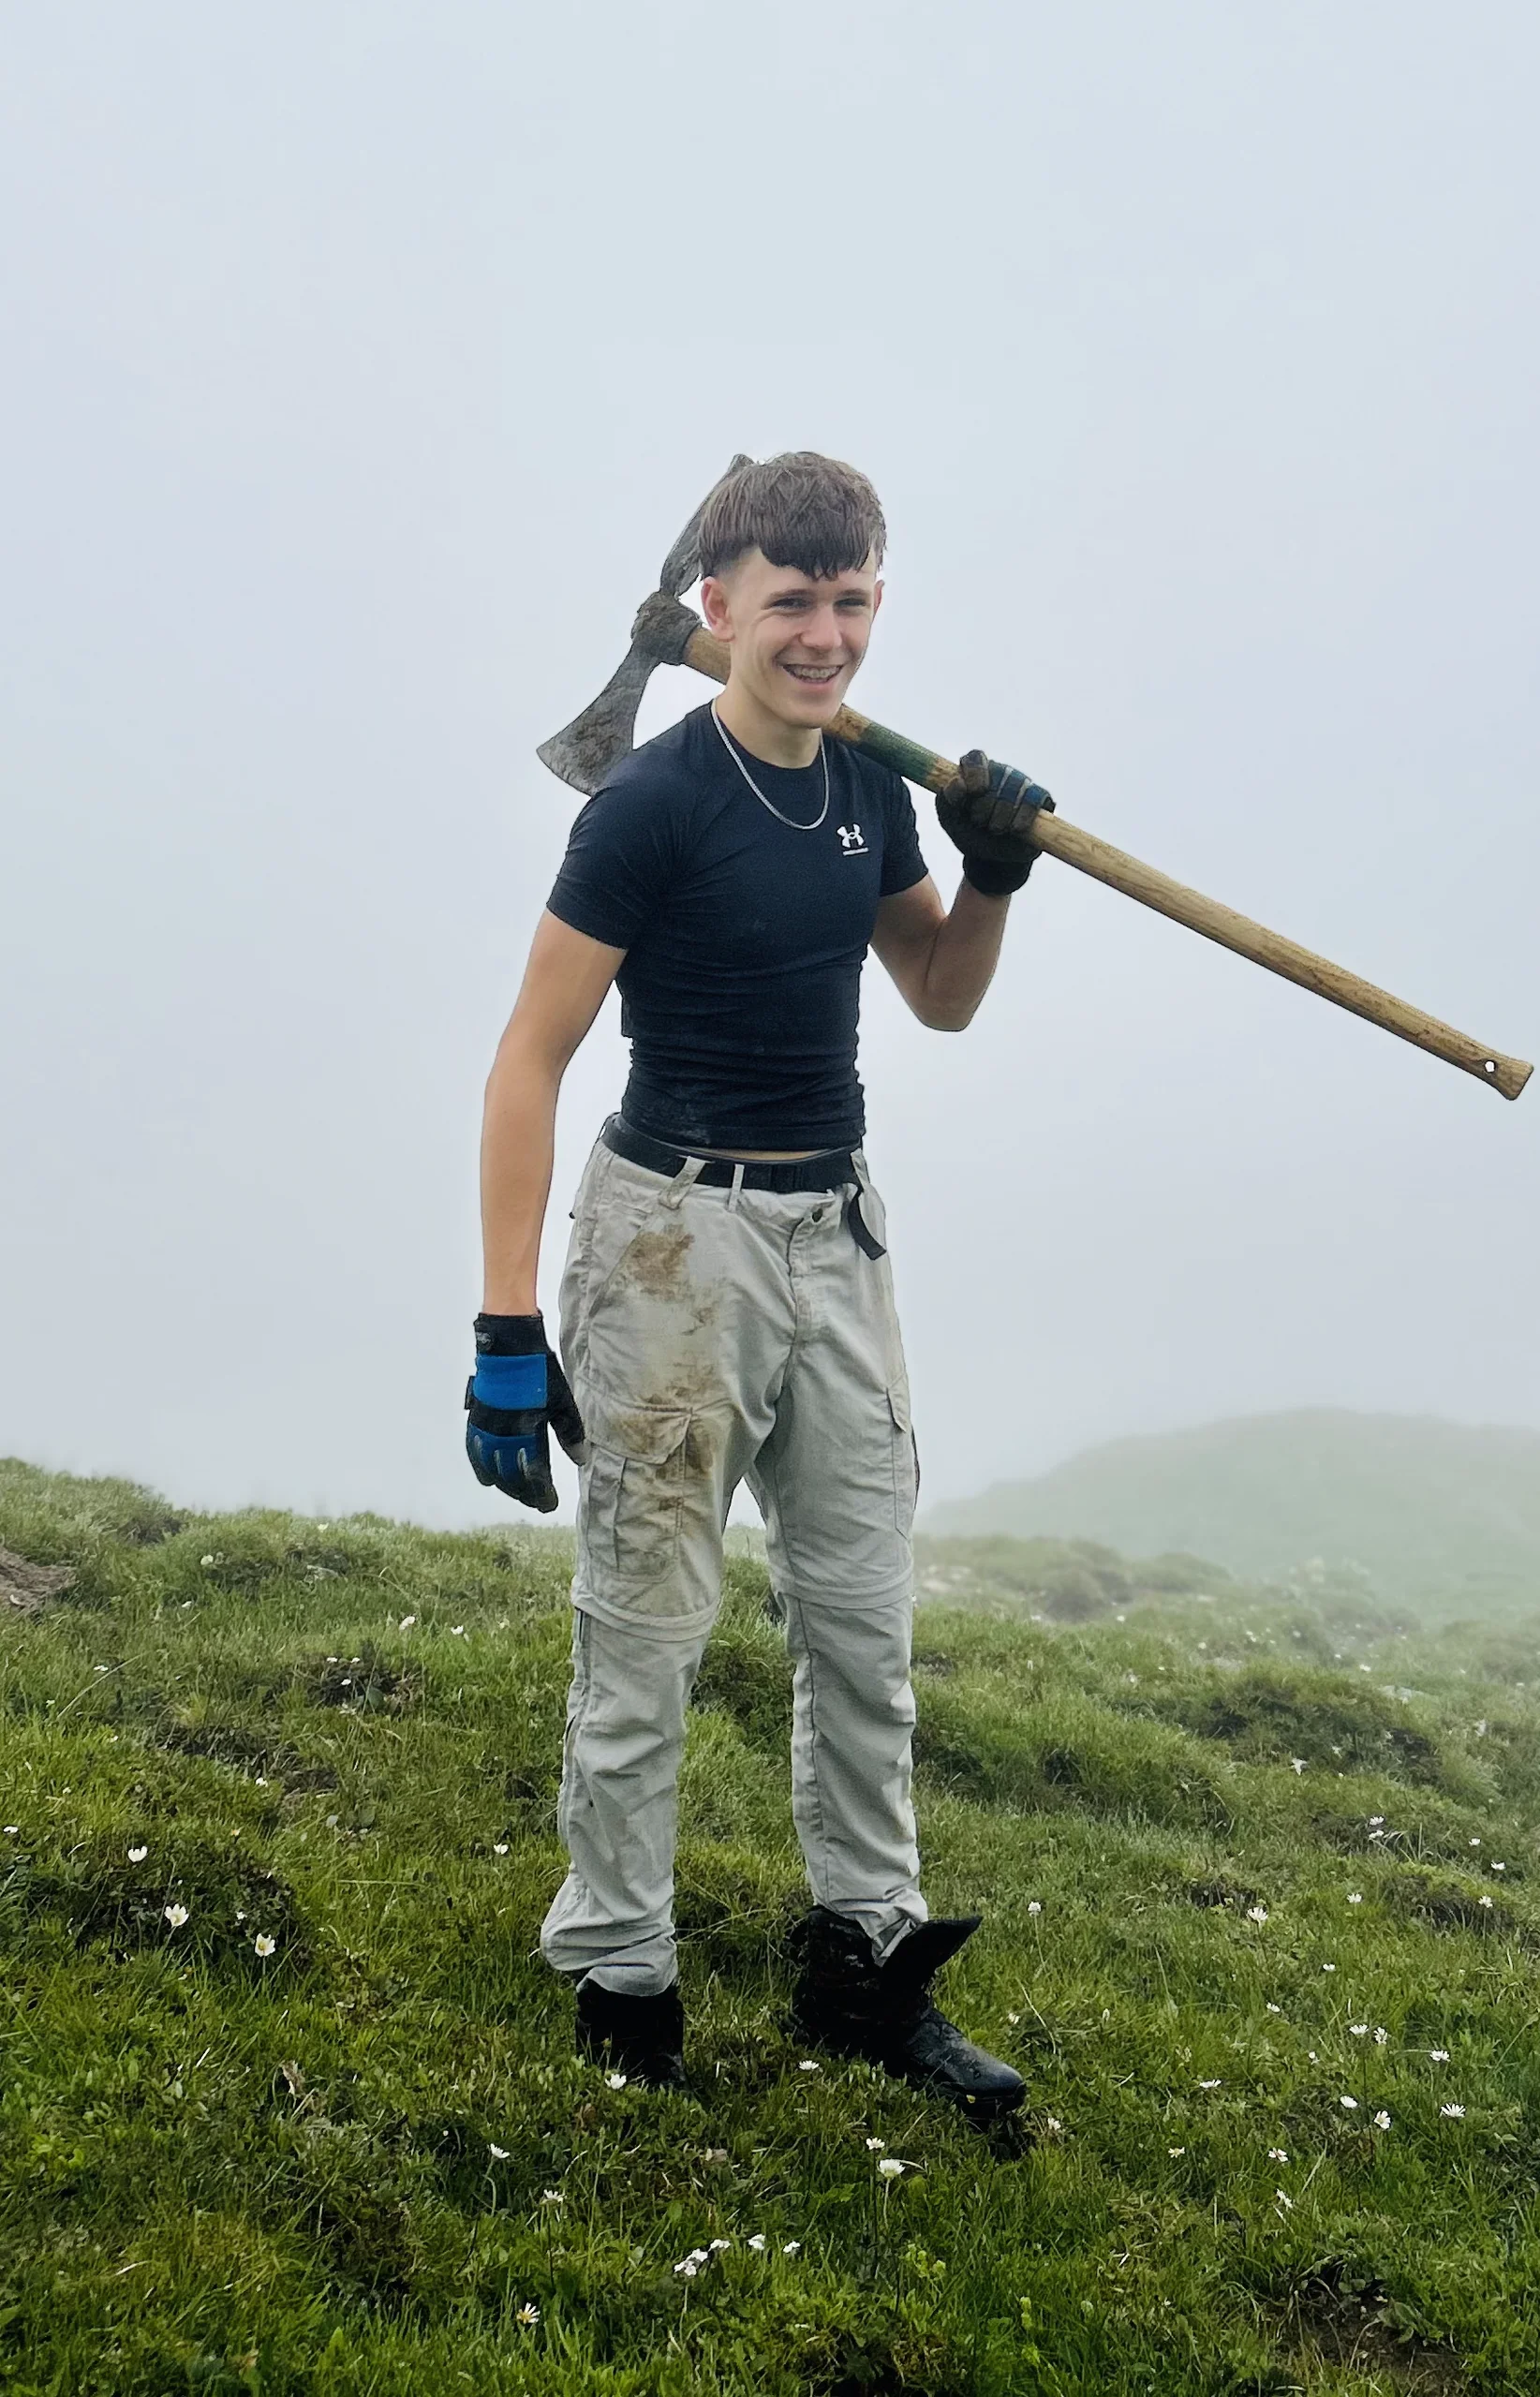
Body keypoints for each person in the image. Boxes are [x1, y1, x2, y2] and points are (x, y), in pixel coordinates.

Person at [467, 451, 1049, 2117]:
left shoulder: (869, 789)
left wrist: (992, 870)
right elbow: (530, 1057)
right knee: (647, 1628)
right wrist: (509, 1325)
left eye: (853, 599)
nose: (826, 635)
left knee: (862, 1628)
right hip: (673, 1237)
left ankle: (866, 1962)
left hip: (835, 1233)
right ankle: (618, 1974)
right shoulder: (648, 805)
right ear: (714, 609)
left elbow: (938, 993)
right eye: (792, 602)